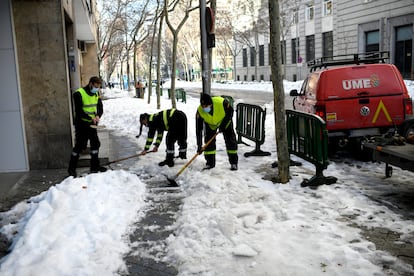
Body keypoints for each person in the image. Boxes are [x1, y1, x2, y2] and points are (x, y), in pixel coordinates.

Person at [68, 76, 107, 177]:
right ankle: (71, 169)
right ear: (90, 84)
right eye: (95, 86)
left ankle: (94, 167)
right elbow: (79, 111)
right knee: (80, 146)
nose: (97, 89)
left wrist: (98, 115)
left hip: (92, 124)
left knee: (95, 144)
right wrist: (91, 119)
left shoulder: (96, 93)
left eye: (98, 87)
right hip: (81, 124)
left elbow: (99, 106)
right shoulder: (79, 94)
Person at [196, 93, 238, 170]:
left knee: (230, 140)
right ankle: (210, 163)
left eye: (206, 106)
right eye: (203, 106)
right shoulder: (200, 111)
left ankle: (234, 163)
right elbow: (198, 129)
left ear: (211, 104)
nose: (205, 108)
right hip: (211, 124)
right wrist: (199, 145)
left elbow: (230, 112)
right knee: (209, 142)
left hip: (225, 121)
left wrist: (223, 125)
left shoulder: (221, 102)